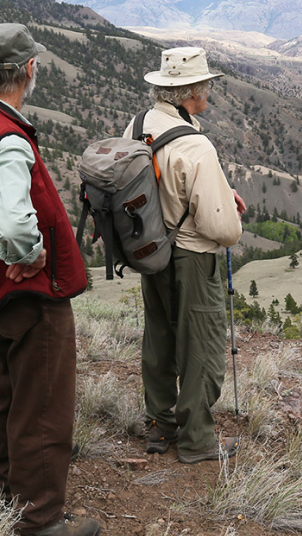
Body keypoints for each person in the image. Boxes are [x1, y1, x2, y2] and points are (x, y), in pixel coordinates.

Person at [0, 24, 99, 536]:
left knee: (6, 392)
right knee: (45, 405)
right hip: (28, 293)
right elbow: (11, 222)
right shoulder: (7, 138)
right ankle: (41, 518)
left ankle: (2, 488)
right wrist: (28, 255)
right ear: (29, 70)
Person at [123, 47, 245, 464]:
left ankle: (159, 425)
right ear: (192, 92)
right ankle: (197, 440)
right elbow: (222, 229)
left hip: (150, 249)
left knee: (159, 337)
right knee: (202, 348)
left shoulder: (139, 125)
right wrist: (226, 208)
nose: (208, 91)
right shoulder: (196, 146)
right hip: (192, 258)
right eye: (205, 85)